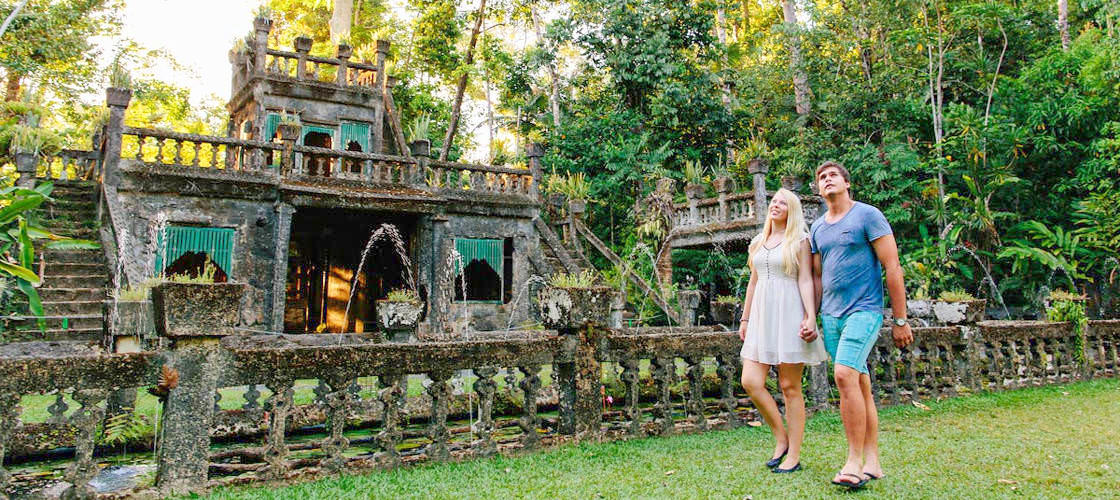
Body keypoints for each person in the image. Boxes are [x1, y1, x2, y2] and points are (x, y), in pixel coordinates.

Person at [807, 161, 914, 489]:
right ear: (818, 188)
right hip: (832, 316)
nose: (827, 180)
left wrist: (900, 319)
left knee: (842, 375)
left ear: (846, 183)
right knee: (859, 384)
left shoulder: (868, 215)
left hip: (864, 311)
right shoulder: (817, 228)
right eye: (822, 178)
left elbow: (892, 266)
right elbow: (816, 276)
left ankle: (853, 462)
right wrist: (812, 316)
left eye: (833, 175)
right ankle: (873, 462)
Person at [738, 188, 829, 474]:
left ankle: (795, 455)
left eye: (783, 203)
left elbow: (805, 280)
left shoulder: (799, 241)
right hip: (761, 318)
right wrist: (745, 319)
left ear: (792, 210)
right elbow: (753, 283)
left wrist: (810, 316)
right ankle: (781, 438)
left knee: (790, 387)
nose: (776, 205)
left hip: (789, 313)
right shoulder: (758, 241)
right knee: (750, 381)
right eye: (774, 201)